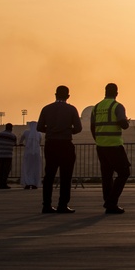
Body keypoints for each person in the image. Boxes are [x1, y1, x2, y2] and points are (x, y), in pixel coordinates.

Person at [36, 85, 82, 213]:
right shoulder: (71, 109)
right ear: (68, 96)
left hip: (51, 144)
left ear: (55, 95)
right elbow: (78, 128)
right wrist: (67, 131)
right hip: (65, 144)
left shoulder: (46, 109)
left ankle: (46, 205)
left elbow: (39, 127)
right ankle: (63, 204)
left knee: (49, 175)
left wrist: (51, 130)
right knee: (66, 176)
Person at [91, 82, 131, 214]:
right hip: (114, 144)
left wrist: (98, 139)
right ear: (116, 93)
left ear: (105, 92)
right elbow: (122, 123)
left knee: (107, 175)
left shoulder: (96, 107)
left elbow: (93, 127)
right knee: (124, 173)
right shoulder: (117, 106)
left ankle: (108, 201)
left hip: (101, 145)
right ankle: (111, 202)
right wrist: (126, 122)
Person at [19, 121, 42, 190]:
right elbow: (40, 142)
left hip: (28, 152)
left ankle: (27, 183)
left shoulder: (26, 132)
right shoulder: (39, 133)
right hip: (37, 153)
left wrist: (22, 144)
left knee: (27, 168)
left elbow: (21, 140)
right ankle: (35, 183)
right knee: (36, 168)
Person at [0, 123, 17, 189]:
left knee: (0, 169)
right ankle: (4, 183)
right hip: (7, 155)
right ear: (11, 128)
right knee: (6, 169)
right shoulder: (12, 136)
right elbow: (14, 144)